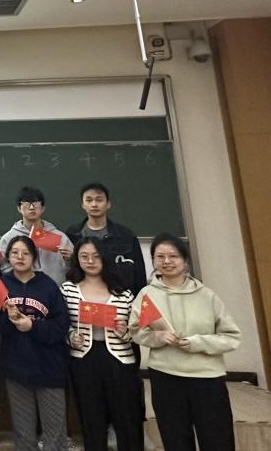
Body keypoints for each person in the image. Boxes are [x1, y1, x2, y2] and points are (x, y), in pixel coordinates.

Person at [130, 234, 240, 451]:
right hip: (165, 376)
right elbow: (136, 331)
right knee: (175, 440)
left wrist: (197, 342)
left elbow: (231, 337)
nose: (167, 261)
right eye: (160, 256)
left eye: (173, 256)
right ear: (153, 261)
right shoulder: (147, 295)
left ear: (185, 260)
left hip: (207, 378)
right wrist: (157, 337)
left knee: (217, 439)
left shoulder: (207, 295)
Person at [61, 238, 142, 451]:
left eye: (96, 256)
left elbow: (137, 329)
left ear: (105, 258)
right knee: (91, 419)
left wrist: (125, 332)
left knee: (126, 419)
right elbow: (61, 323)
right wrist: (71, 336)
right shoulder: (68, 289)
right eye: (84, 256)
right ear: (77, 259)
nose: (90, 261)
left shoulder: (123, 292)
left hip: (119, 360)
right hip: (84, 359)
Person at [0, 236, 69, 451]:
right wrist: (10, 320)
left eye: (26, 253)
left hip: (49, 367)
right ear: (8, 256)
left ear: (34, 258)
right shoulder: (0, 284)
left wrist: (32, 326)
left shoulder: (48, 285)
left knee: (55, 434)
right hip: (16, 369)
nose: (20, 257)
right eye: (15, 252)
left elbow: (60, 326)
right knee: (24, 434)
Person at [65, 183, 146, 296]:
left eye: (99, 200)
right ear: (83, 204)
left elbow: (139, 273)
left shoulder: (125, 235)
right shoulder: (72, 234)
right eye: (89, 200)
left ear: (108, 204)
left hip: (119, 296)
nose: (94, 204)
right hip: (83, 296)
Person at [0, 186, 73, 285]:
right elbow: (3, 267)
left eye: (36, 203)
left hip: (55, 289)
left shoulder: (59, 236)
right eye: (27, 204)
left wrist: (71, 258)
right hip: (22, 291)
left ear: (43, 208)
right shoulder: (8, 238)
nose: (32, 208)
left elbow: (72, 267)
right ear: (19, 208)